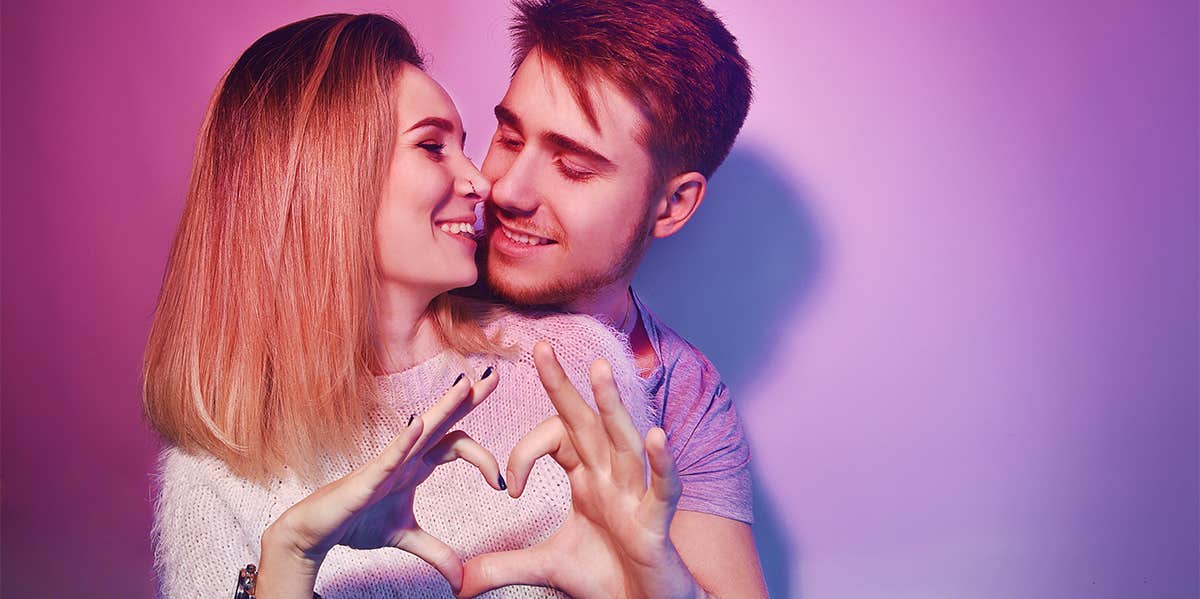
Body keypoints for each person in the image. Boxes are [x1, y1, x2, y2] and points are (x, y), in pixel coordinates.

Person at [145, 13, 688, 598]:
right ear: (327, 179)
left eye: (463, 143)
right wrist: (288, 566)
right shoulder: (216, 466)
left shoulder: (574, 365)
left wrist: (660, 593)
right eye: (432, 147)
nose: (483, 183)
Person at [466, 0, 769, 596]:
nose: (506, 189)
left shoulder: (684, 400)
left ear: (673, 204)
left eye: (574, 167)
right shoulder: (417, 271)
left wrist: (651, 585)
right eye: (508, 136)